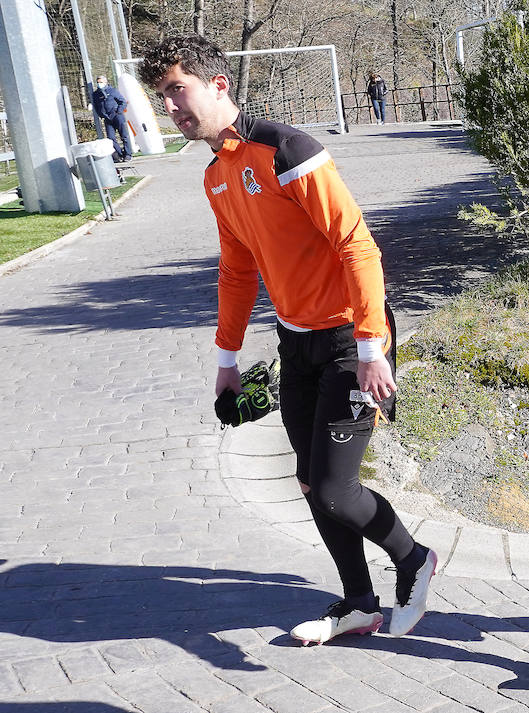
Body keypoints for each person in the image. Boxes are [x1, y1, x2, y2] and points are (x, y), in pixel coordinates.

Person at [137, 35, 436, 645]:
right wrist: (226, 358)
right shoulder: (216, 175)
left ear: (217, 84)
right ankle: (357, 602)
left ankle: (414, 560)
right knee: (308, 481)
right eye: (163, 96)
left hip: (350, 339)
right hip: (295, 341)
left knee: (334, 486)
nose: (170, 107)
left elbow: (357, 244)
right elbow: (236, 269)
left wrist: (372, 345)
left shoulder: (287, 150)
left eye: (177, 90)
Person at [91, 75, 133, 162]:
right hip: (107, 118)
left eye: (101, 82)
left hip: (117, 116)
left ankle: (128, 154)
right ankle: (120, 154)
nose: (99, 84)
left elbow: (123, 102)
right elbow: (96, 106)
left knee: (124, 136)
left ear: (105, 82)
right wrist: (102, 115)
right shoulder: (96, 94)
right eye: (98, 82)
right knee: (111, 138)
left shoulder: (113, 91)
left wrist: (119, 111)